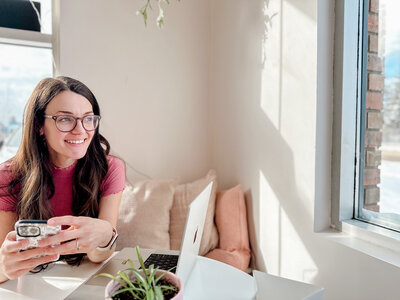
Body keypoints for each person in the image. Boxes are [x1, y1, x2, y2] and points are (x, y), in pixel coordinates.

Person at [0, 76, 125, 283]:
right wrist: (4, 268)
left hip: (85, 280)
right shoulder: (8, 176)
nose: (81, 130)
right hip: (31, 283)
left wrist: (105, 236)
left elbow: (100, 257)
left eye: (88, 118)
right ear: (39, 124)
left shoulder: (109, 168)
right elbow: (4, 263)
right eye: (65, 119)